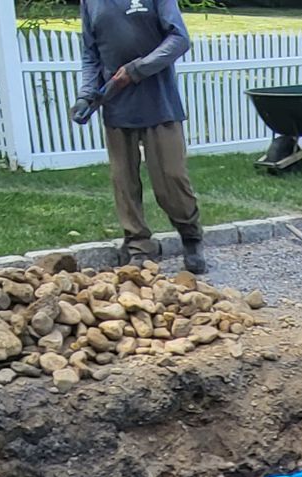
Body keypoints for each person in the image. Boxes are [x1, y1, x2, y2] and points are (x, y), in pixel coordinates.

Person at [70, 0, 206, 275]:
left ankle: (190, 236)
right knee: (124, 180)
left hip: (160, 103)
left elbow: (179, 39)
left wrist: (136, 70)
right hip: (117, 106)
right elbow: (91, 54)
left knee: (171, 177)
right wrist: (86, 94)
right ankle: (138, 245)